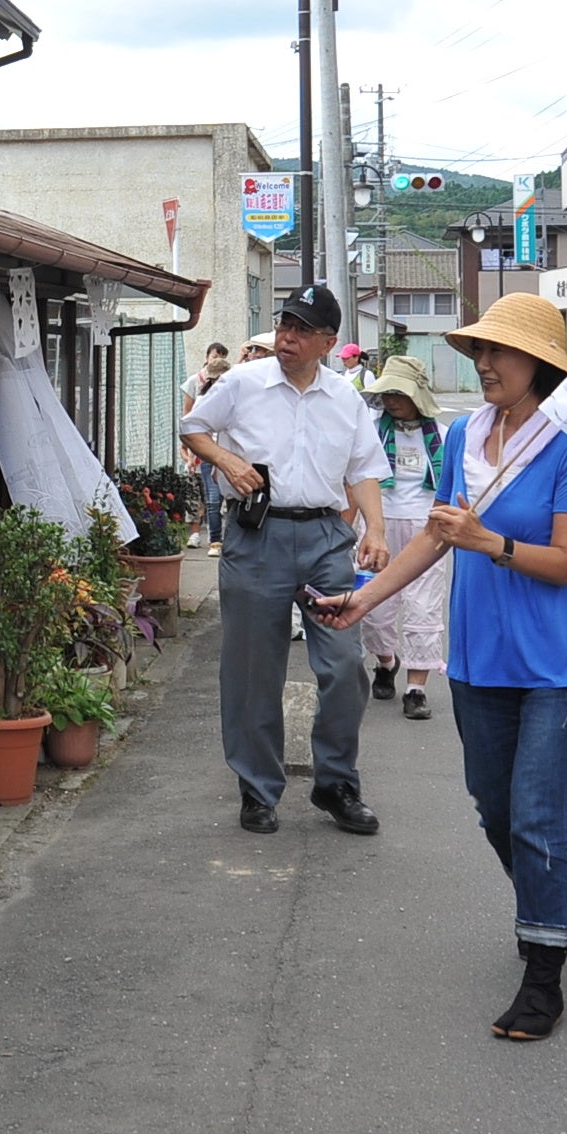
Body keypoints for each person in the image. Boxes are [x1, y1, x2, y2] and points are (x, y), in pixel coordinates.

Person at [318, 291, 567, 1041]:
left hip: (558, 660)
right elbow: (437, 537)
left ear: (540, 365)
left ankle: (543, 971)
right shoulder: (466, 434)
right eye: (477, 351)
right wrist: (364, 599)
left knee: (542, 816)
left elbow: (565, 563)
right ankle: (549, 906)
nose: (482, 363)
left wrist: (493, 543)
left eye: (498, 353)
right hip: (480, 657)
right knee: (497, 809)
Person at [178, 283, 390, 838]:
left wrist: (378, 530)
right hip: (257, 535)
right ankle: (257, 787)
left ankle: (336, 783)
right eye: (284, 325)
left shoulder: (346, 399)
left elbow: (365, 468)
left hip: (325, 537)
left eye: (301, 330)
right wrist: (227, 460)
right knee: (253, 667)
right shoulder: (243, 383)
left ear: (328, 342)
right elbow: (192, 427)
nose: (287, 338)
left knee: (345, 664)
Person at [358, 356, 449, 721]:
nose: (393, 400)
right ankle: (385, 661)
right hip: (378, 523)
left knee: (423, 606)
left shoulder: (442, 435)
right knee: (374, 605)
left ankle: (417, 688)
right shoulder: (370, 430)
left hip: (427, 527)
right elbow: (357, 475)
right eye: (388, 393)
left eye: (400, 393)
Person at [179, 342, 233, 541]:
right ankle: (214, 539)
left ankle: (218, 538)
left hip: (223, 450)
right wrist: (189, 452)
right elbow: (188, 422)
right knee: (211, 497)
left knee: (221, 498)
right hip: (208, 451)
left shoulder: (231, 395)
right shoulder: (200, 392)